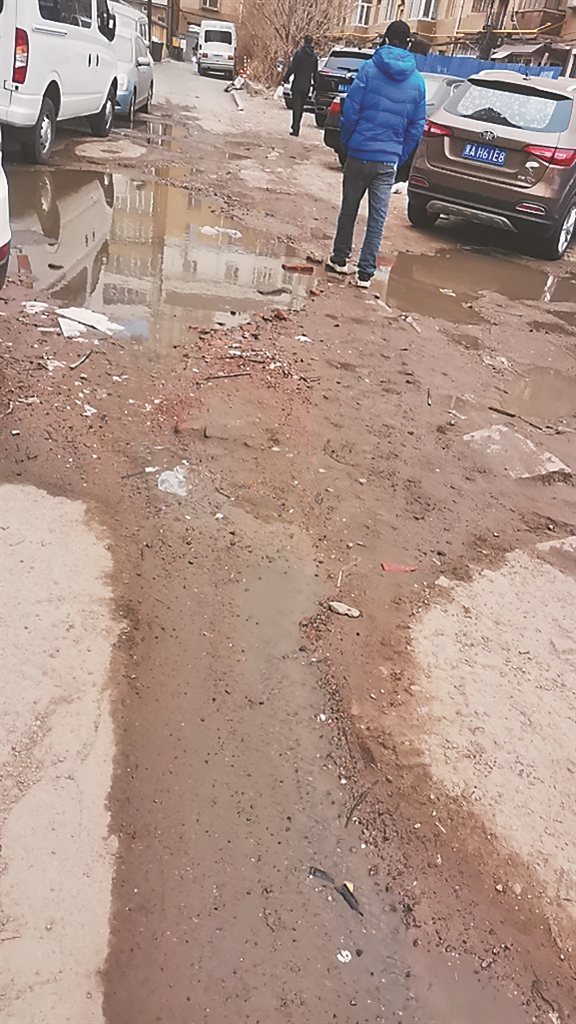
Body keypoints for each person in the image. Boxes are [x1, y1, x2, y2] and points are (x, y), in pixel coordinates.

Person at [327, 21, 426, 288]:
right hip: (387, 160)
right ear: (408, 43)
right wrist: (398, 155)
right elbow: (416, 127)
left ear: (385, 39)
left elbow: (351, 112)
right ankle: (365, 274)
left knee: (349, 210)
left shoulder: (369, 69)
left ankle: (340, 259)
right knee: (377, 219)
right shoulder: (417, 82)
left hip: (359, 153)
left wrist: (348, 144)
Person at [283, 35, 318, 137]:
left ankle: (295, 128)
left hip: (297, 84)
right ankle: (296, 126)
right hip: (306, 86)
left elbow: (293, 67)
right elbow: (315, 73)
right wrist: (315, 86)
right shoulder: (314, 57)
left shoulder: (299, 53)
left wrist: (286, 77)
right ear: (311, 42)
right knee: (301, 107)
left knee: (296, 107)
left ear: (304, 41)